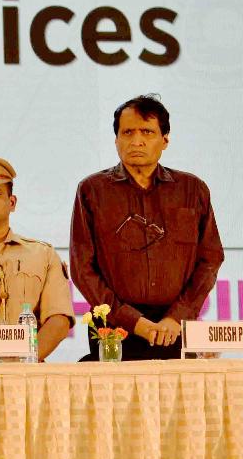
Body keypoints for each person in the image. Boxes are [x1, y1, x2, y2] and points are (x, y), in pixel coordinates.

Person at [70, 95, 224, 360]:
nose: (136, 141)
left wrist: (177, 317)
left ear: (165, 140)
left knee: (181, 388)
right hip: (115, 325)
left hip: (175, 325)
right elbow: (82, 268)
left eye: (147, 132)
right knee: (115, 389)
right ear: (116, 140)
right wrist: (134, 322)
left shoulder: (192, 189)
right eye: (127, 132)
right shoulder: (92, 190)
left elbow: (210, 259)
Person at [0, 156, 73, 361]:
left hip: (25, 371)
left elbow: (59, 319)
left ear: (12, 202)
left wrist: (27, 362)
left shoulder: (42, 254)